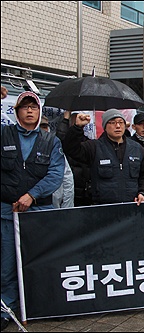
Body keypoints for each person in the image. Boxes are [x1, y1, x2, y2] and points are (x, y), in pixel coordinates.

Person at [1, 92, 65, 330]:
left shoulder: (51, 141)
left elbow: (55, 174)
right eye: (24, 107)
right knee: (7, 264)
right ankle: (7, 307)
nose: (29, 111)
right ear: (16, 112)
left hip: (40, 212)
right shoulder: (3, 135)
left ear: (40, 113)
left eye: (34, 107)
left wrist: (31, 195)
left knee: (41, 260)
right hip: (7, 212)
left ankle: (42, 306)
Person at [63, 109, 144, 205]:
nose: (118, 126)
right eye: (112, 123)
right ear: (105, 126)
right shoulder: (94, 147)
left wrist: (143, 193)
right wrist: (77, 128)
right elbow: (71, 149)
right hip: (103, 207)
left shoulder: (137, 149)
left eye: (120, 122)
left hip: (131, 206)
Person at [54, 110, 94, 206]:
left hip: (85, 192)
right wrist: (65, 119)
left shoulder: (89, 143)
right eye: (74, 120)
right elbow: (61, 138)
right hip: (68, 189)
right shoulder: (64, 142)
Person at [40, 116, 75, 208]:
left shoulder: (55, 148)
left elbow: (68, 180)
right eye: (39, 127)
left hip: (55, 206)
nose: (42, 130)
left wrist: (67, 208)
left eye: (44, 126)